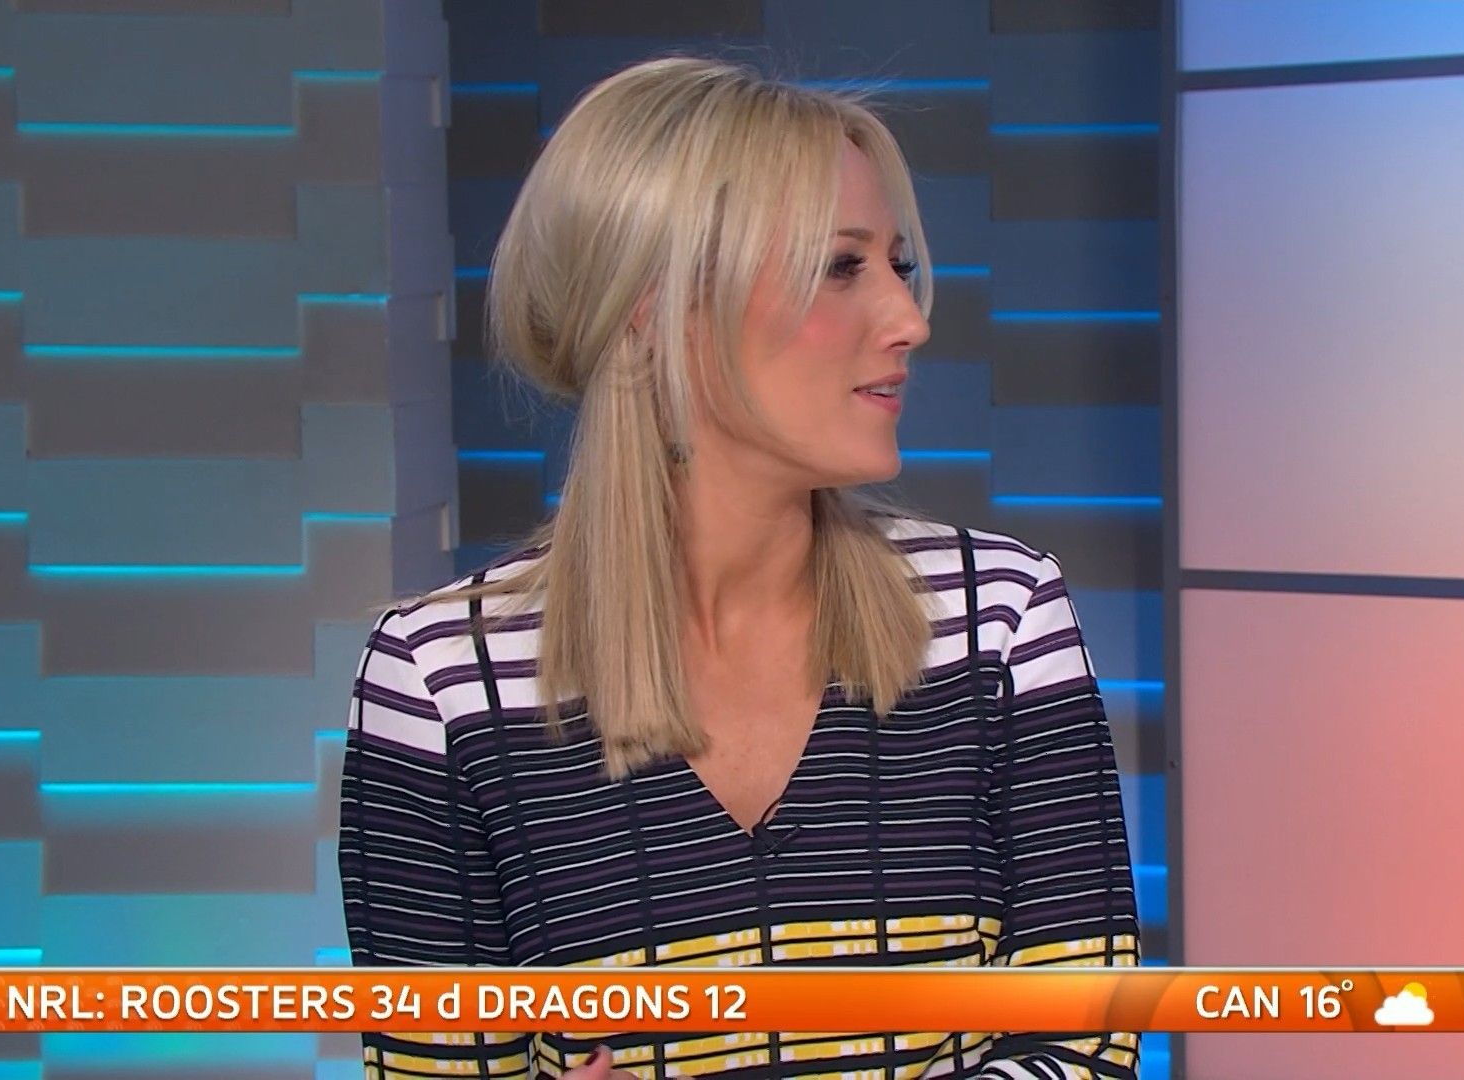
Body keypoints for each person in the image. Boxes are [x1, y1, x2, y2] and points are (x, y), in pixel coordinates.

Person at [338, 55, 1141, 1079]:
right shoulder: (439, 681)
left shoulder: (1001, 620)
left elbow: (1084, 1046)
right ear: (654, 306)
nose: (910, 319)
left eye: (898, 265)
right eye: (840, 267)